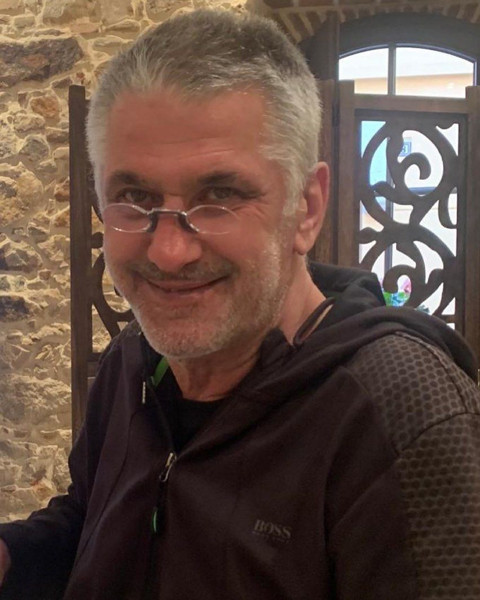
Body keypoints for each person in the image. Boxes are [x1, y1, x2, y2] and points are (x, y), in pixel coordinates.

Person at [0, 9, 479, 600]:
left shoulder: (401, 415)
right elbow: (95, 525)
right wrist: (13, 555)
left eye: (220, 195)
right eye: (134, 196)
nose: (169, 252)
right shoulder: (134, 359)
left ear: (305, 209)